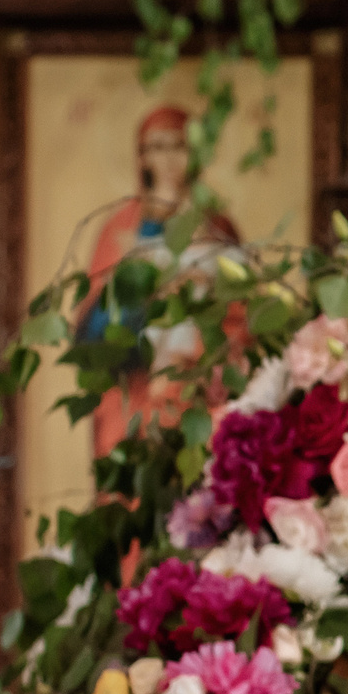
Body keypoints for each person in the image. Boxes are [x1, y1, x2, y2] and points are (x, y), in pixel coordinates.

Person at [77, 106, 241, 458]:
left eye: (178, 146)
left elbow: (240, 312)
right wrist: (148, 296)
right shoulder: (121, 228)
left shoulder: (216, 225)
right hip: (134, 395)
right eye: (157, 147)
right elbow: (92, 330)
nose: (168, 158)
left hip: (197, 391)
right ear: (142, 156)